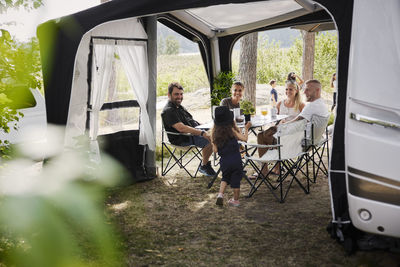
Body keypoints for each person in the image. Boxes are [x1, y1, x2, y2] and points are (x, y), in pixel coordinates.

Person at [256, 79, 329, 176]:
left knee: (261, 136)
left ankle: (264, 170)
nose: (304, 92)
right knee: (270, 134)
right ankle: (275, 167)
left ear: (317, 90)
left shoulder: (310, 107)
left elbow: (297, 122)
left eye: (308, 90)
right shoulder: (321, 105)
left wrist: (278, 127)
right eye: (304, 89)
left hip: (298, 143)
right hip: (311, 141)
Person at [161, 82, 216, 176]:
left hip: (191, 134)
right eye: (176, 94)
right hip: (182, 138)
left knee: (219, 133)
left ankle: (231, 161)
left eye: (181, 94)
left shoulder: (180, 107)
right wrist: (202, 133)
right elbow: (181, 128)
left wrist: (206, 126)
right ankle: (204, 166)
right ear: (169, 95)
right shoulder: (168, 111)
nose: (179, 96)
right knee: (210, 139)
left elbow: (191, 121)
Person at [212, 106, 251, 207]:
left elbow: (215, 150)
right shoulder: (232, 131)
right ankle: (235, 200)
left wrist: (213, 142)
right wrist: (246, 128)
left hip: (224, 161)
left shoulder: (215, 133)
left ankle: (220, 195)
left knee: (225, 177)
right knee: (235, 180)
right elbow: (245, 139)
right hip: (236, 160)